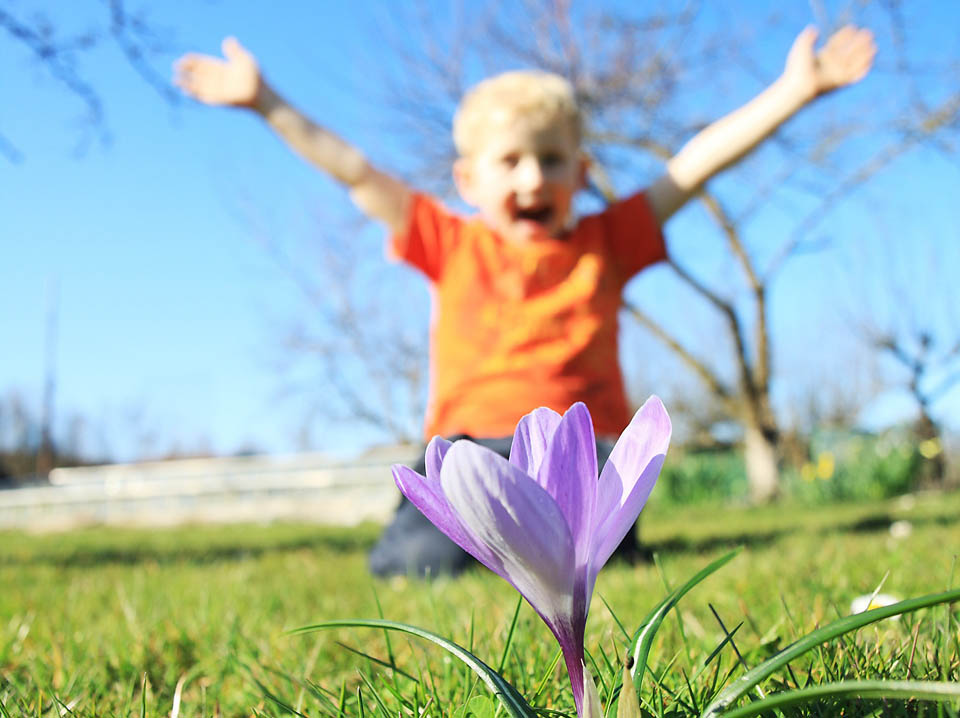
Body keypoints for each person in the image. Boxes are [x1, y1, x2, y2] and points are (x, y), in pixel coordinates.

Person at [174, 25, 875, 576]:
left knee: (584, 565)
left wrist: (795, 90)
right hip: (470, 451)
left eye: (552, 158)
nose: (533, 176)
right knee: (422, 565)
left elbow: (695, 165)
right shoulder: (450, 244)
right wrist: (265, 101)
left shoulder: (609, 239)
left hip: (583, 456)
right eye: (509, 161)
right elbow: (354, 172)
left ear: (582, 173)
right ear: (467, 180)